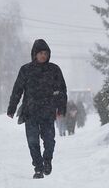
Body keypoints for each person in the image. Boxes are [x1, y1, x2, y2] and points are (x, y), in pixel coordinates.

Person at [7, 39, 67, 179]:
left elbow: (62, 90)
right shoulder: (26, 70)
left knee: (49, 140)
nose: (43, 56)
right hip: (30, 112)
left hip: (48, 111)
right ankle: (38, 168)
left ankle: (47, 161)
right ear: (34, 54)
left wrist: (61, 108)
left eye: (45, 53)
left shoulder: (54, 70)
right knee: (33, 142)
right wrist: (12, 108)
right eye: (40, 53)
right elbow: (17, 90)